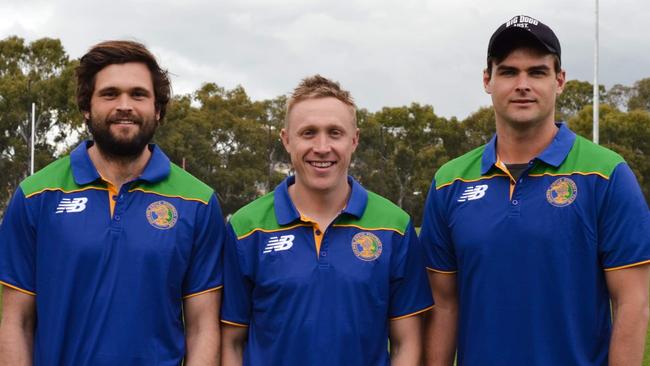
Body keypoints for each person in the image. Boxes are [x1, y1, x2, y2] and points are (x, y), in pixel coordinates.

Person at [421, 14, 650, 366]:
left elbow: (632, 303)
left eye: (537, 72)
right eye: (509, 72)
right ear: (488, 80)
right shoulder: (450, 182)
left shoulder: (607, 174)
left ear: (559, 81)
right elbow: (444, 303)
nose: (522, 84)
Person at [0, 40, 224, 365]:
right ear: (87, 108)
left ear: (157, 109)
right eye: (109, 94)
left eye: (138, 94)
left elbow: (203, 328)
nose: (124, 105)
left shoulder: (198, 201)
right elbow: (17, 322)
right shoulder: (36, 196)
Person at [221, 75, 433, 365]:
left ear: (354, 139)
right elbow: (231, 342)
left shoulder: (393, 226)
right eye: (308, 133)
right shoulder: (247, 227)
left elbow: (406, 343)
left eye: (335, 132)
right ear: (286, 139)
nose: (322, 147)